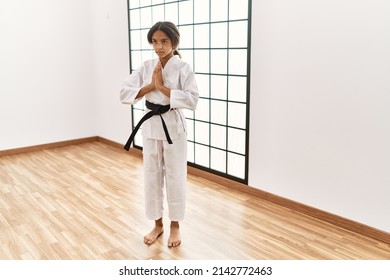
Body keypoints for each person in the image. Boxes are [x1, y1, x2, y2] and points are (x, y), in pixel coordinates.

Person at [120, 21, 199, 247]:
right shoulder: (146, 66)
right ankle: (157, 224)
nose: (159, 47)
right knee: (151, 175)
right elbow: (124, 93)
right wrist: (151, 86)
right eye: (155, 42)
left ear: (174, 42)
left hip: (173, 126)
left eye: (164, 41)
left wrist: (163, 88)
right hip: (152, 127)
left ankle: (175, 225)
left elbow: (193, 100)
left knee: (175, 176)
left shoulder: (184, 68)